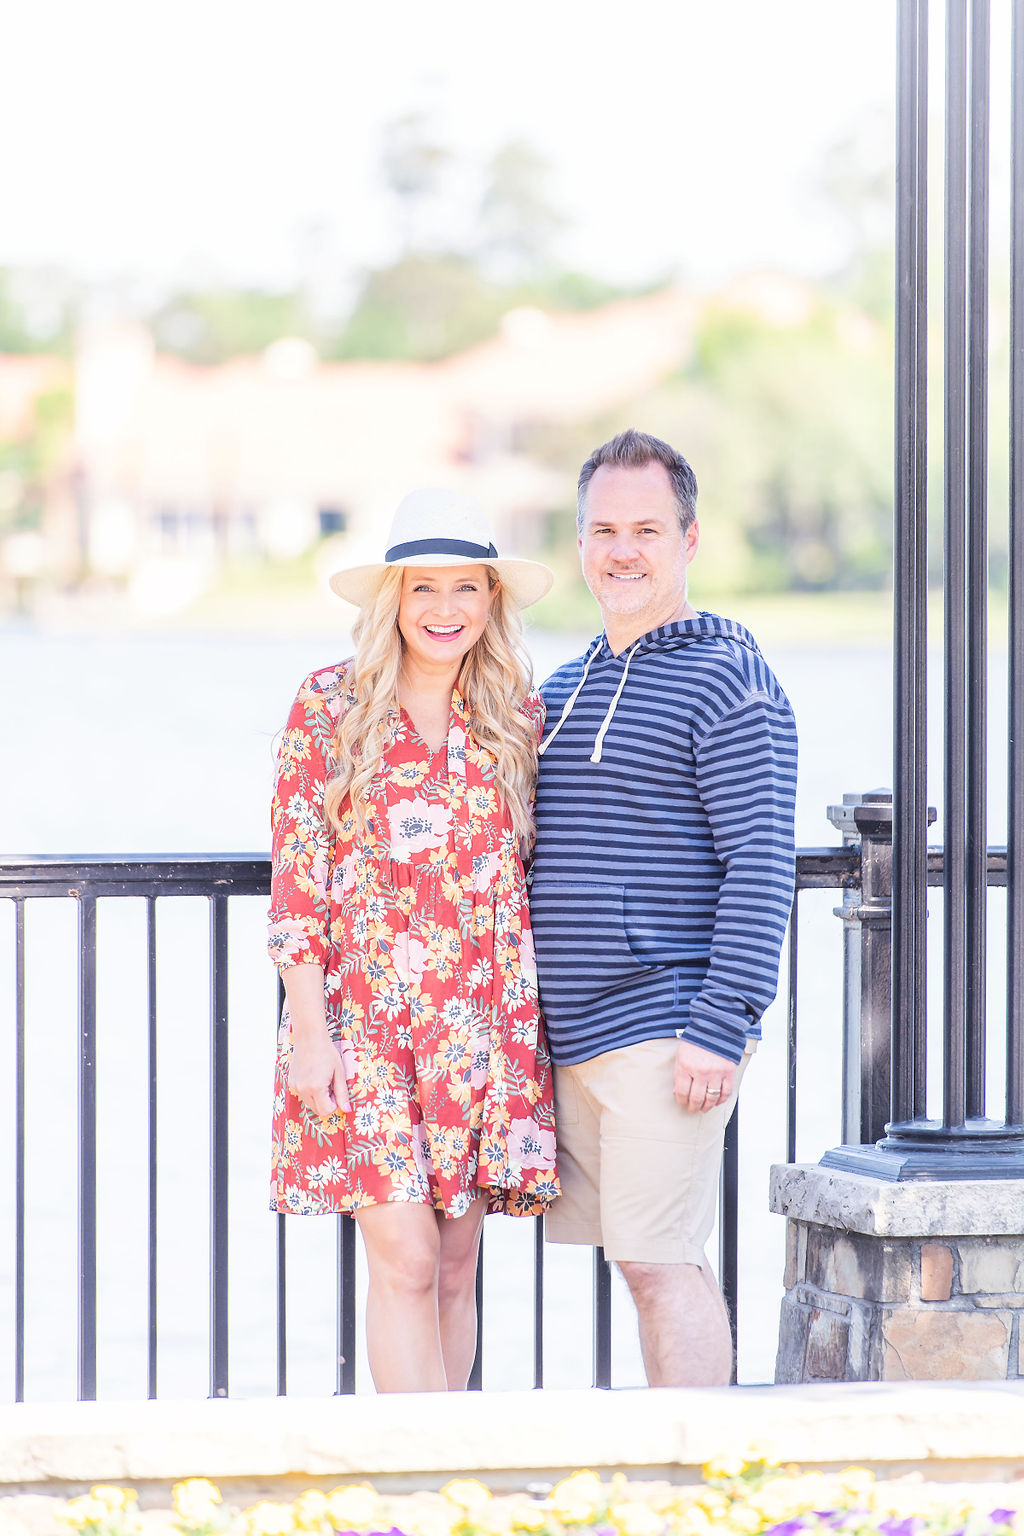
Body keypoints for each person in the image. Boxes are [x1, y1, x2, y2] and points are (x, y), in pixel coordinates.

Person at [267, 487, 559, 1393]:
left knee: (457, 1265)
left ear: (491, 601)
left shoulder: (515, 716)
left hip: (479, 1028)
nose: (444, 609)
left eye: (464, 588)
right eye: (422, 587)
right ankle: (414, 1483)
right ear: (390, 599)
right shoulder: (329, 705)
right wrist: (308, 1031)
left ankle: (452, 1481)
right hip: (363, 1027)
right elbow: (297, 879)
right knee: (404, 1258)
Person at [530, 429, 797, 1388]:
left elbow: (760, 863)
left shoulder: (730, 679)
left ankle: (708, 1484)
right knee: (636, 1260)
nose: (623, 550)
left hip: (667, 1027)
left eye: (647, 528)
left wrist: (720, 1027)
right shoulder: (561, 691)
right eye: (604, 529)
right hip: (569, 1037)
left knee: (659, 1259)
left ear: (690, 539)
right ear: (580, 546)